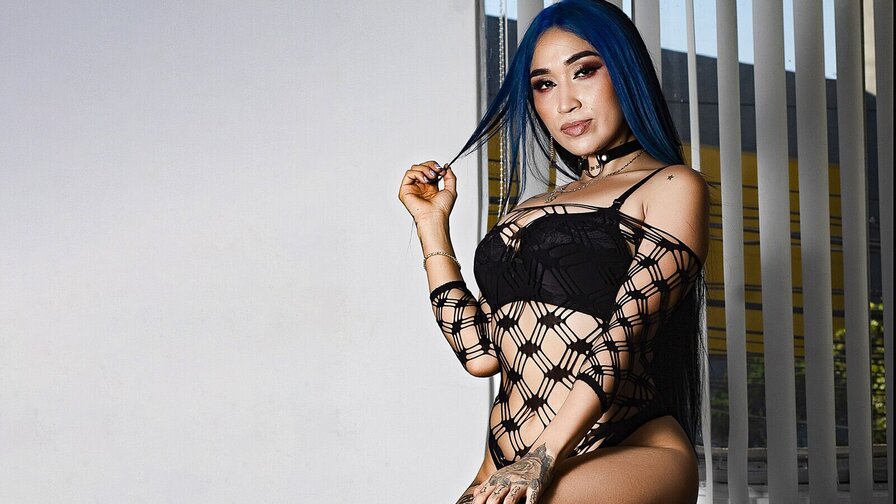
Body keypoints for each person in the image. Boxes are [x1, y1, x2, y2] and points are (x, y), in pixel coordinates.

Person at [398, 1, 709, 502]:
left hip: (626, 449)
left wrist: (540, 458)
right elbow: (481, 354)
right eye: (544, 84)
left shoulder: (670, 185)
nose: (565, 102)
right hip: (505, 462)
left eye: (583, 71)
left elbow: (620, 341)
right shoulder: (530, 207)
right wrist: (431, 225)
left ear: (625, 73)